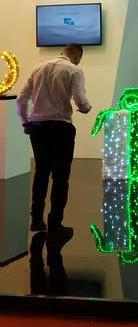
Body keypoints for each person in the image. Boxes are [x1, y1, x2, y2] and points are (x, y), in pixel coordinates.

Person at [16, 44, 91, 242]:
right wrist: (86, 108)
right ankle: (55, 224)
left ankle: (36, 220)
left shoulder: (38, 68)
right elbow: (80, 100)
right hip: (61, 128)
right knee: (60, 177)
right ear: (77, 57)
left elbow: (21, 99)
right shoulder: (74, 70)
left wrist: (25, 122)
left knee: (41, 172)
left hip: (38, 127)